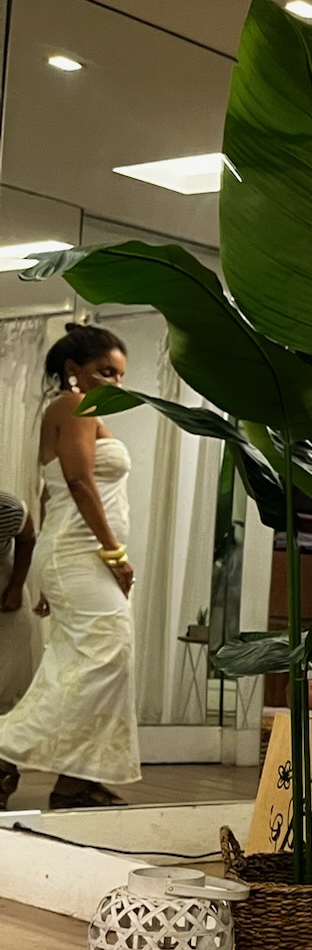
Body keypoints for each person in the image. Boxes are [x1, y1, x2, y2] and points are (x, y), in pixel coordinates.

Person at [0, 323, 140, 811]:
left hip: (73, 557)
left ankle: (76, 782)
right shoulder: (74, 405)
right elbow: (79, 483)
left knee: (87, 664)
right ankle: (5, 751)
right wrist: (114, 555)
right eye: (106, 372)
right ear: (73, 370)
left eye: (120, 376)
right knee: (106, 658)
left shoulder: (80, 411)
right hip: (83, 555)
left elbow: (48, 492)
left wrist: (47, 573)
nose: (115, 384)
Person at [0, 487, 39, 746]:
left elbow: (27, 538)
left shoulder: (7, 508)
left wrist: (15, 586)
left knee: (7, 666)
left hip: (2, 574)